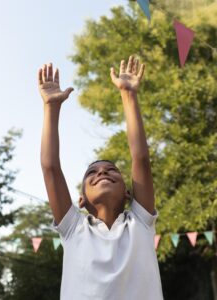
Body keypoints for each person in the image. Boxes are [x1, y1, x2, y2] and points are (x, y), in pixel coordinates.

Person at [39, 55, 164, 300]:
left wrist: (128, 95)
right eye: (92, 174)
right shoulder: (73, 227)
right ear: (81, 201)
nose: (102, 172)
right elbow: (50, 167)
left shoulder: (140, 222)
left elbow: (140, 158)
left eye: (111, 170)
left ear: (128, 192)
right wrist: (51, 108)